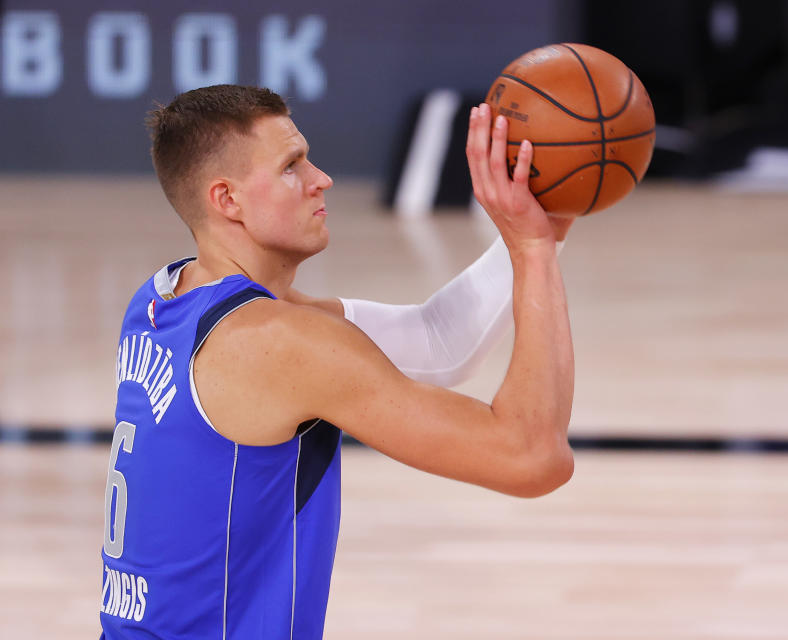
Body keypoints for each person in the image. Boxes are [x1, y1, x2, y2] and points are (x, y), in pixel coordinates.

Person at [100, 84, 574, 639]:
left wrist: (549, 224)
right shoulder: (275, 345)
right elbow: (532, 456)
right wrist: (532, 254)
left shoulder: (167, 298)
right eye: (291, 166)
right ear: (227, 200)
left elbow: (438, 340)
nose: (320, 179)